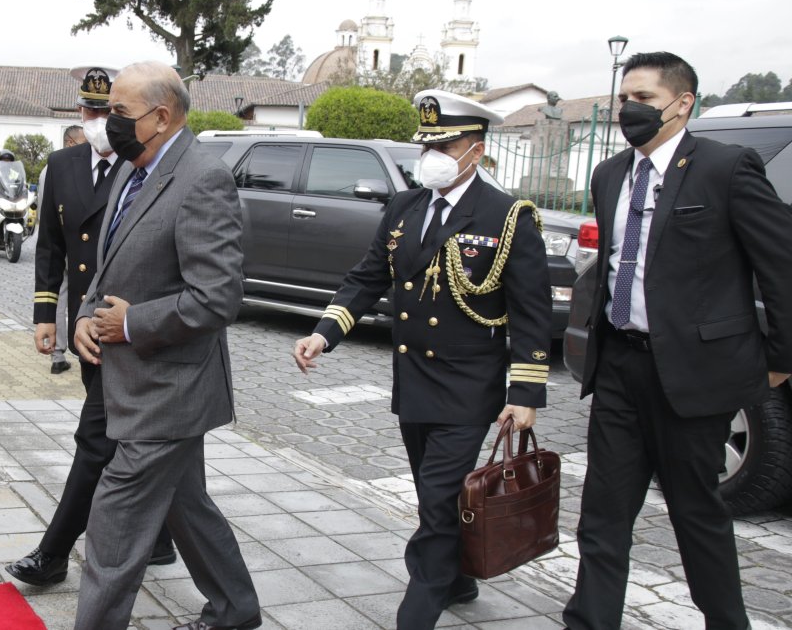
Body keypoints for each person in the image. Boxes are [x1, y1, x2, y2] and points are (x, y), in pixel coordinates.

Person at [293, 89, 552, 630]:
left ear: (475, 151)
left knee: (436, 503)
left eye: (445, 145)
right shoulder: (405, 206)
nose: (429, 156)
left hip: (468, 387)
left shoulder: (507, 216)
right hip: (414, 382)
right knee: (434, 494)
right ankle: (458, 577)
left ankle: (416, 614)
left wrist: (524, 394)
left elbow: (531, 310)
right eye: (425, 144)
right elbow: (368, 277)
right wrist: (324, 333)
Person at [563, 51, 792, 630]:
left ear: (682, 103)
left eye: (643, 99)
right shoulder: (610, 174)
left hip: (693, 377)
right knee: (603, 515)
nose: (629, 110)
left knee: (697, 514)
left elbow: (781, 267)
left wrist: (779, 362)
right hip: (619, 367)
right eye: (623, 99)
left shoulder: (726, 167)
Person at [71, 61, 260, 630]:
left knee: (113, 525)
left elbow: (218, 297)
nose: (108, 123)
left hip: (170, 388)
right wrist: (85, 314)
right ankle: (236, 609)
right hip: (132, 380)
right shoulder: (134, 169)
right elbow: (110, 270)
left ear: (160, 116)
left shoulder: (202, 177)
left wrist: (129, 325)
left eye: (119, 113)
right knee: (186, 505)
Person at [7, 67, 176, 589]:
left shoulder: (141, 167)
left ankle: (53, 553)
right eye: (92, 112)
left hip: (127, 326)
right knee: (149, 445)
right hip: (87, 325)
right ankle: (165, 538)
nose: (100, 122)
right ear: (79, 114)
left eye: (110, 113)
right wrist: (46, 317)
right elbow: (52, 247)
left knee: (98, 439)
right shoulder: (63, 165)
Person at [35, 124, 87, 374]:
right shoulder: (56, 168)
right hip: (66, 245)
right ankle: (61, 350)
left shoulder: (50, 169)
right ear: (69, 142)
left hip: (70, 245)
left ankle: (59, 354)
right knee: (60, 295)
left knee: (63, 296)